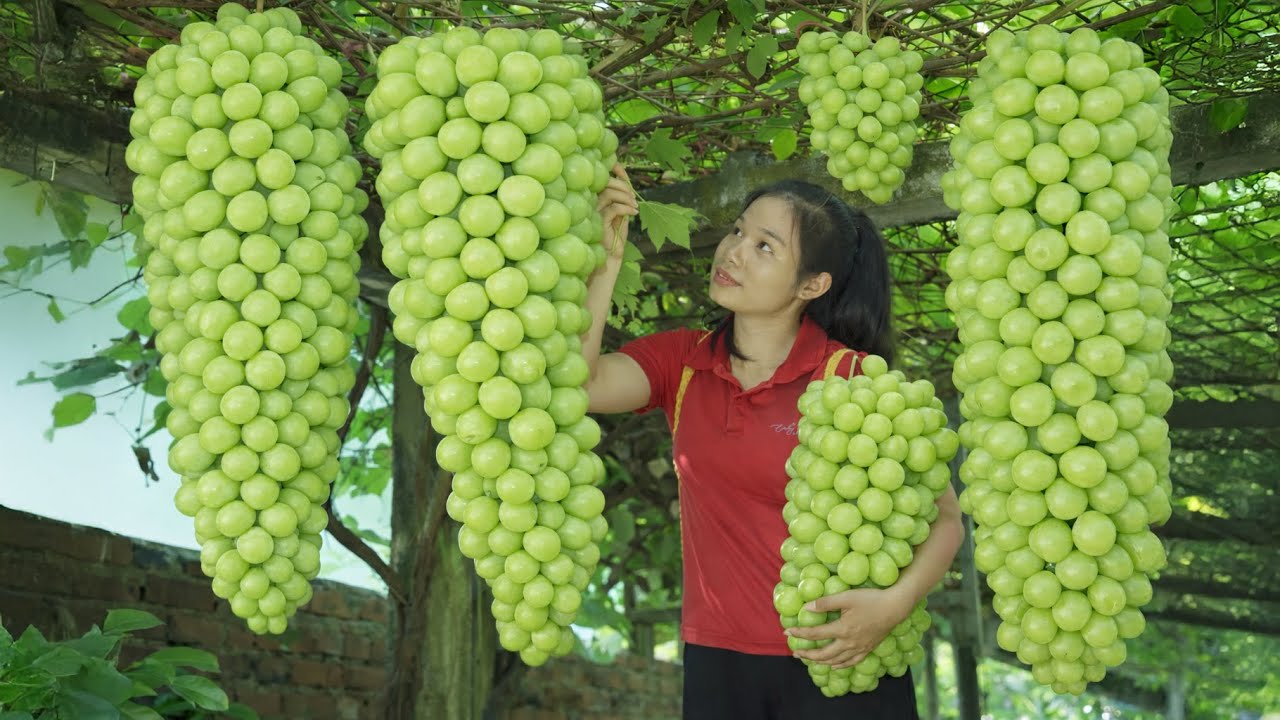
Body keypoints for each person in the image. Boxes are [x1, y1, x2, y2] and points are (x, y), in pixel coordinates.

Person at [583, 165, 964, 719]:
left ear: (812, 285)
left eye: (765, 246)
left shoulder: (855, 381)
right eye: (737, 231)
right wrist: (606, 262)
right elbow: (580, 384)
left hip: (842, 654)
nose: (733, 252)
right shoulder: (682, 362)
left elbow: (946, 520)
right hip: (719, 661)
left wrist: (893, 606)